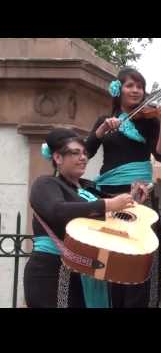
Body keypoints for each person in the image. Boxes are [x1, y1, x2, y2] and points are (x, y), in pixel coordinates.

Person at [85, 67, 161, 307]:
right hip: (108, 195)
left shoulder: (151, 120)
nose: (136, 90)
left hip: (139, 195)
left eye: (140, 86)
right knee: (110, 256)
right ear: (118, 89)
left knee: (138, 257)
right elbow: (86, 152)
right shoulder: (104, 121)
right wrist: (101, 132)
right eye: (130, 85)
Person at [24, 128, 134, 308]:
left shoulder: (89, 188)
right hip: (51, 271)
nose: (83, 157)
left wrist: (132, 199)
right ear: (58, 158)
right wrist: (107, 205)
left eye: (84, 153)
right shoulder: (45, 183)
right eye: (75, 153)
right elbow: (57, 210)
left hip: (86, 270)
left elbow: (112, 216)